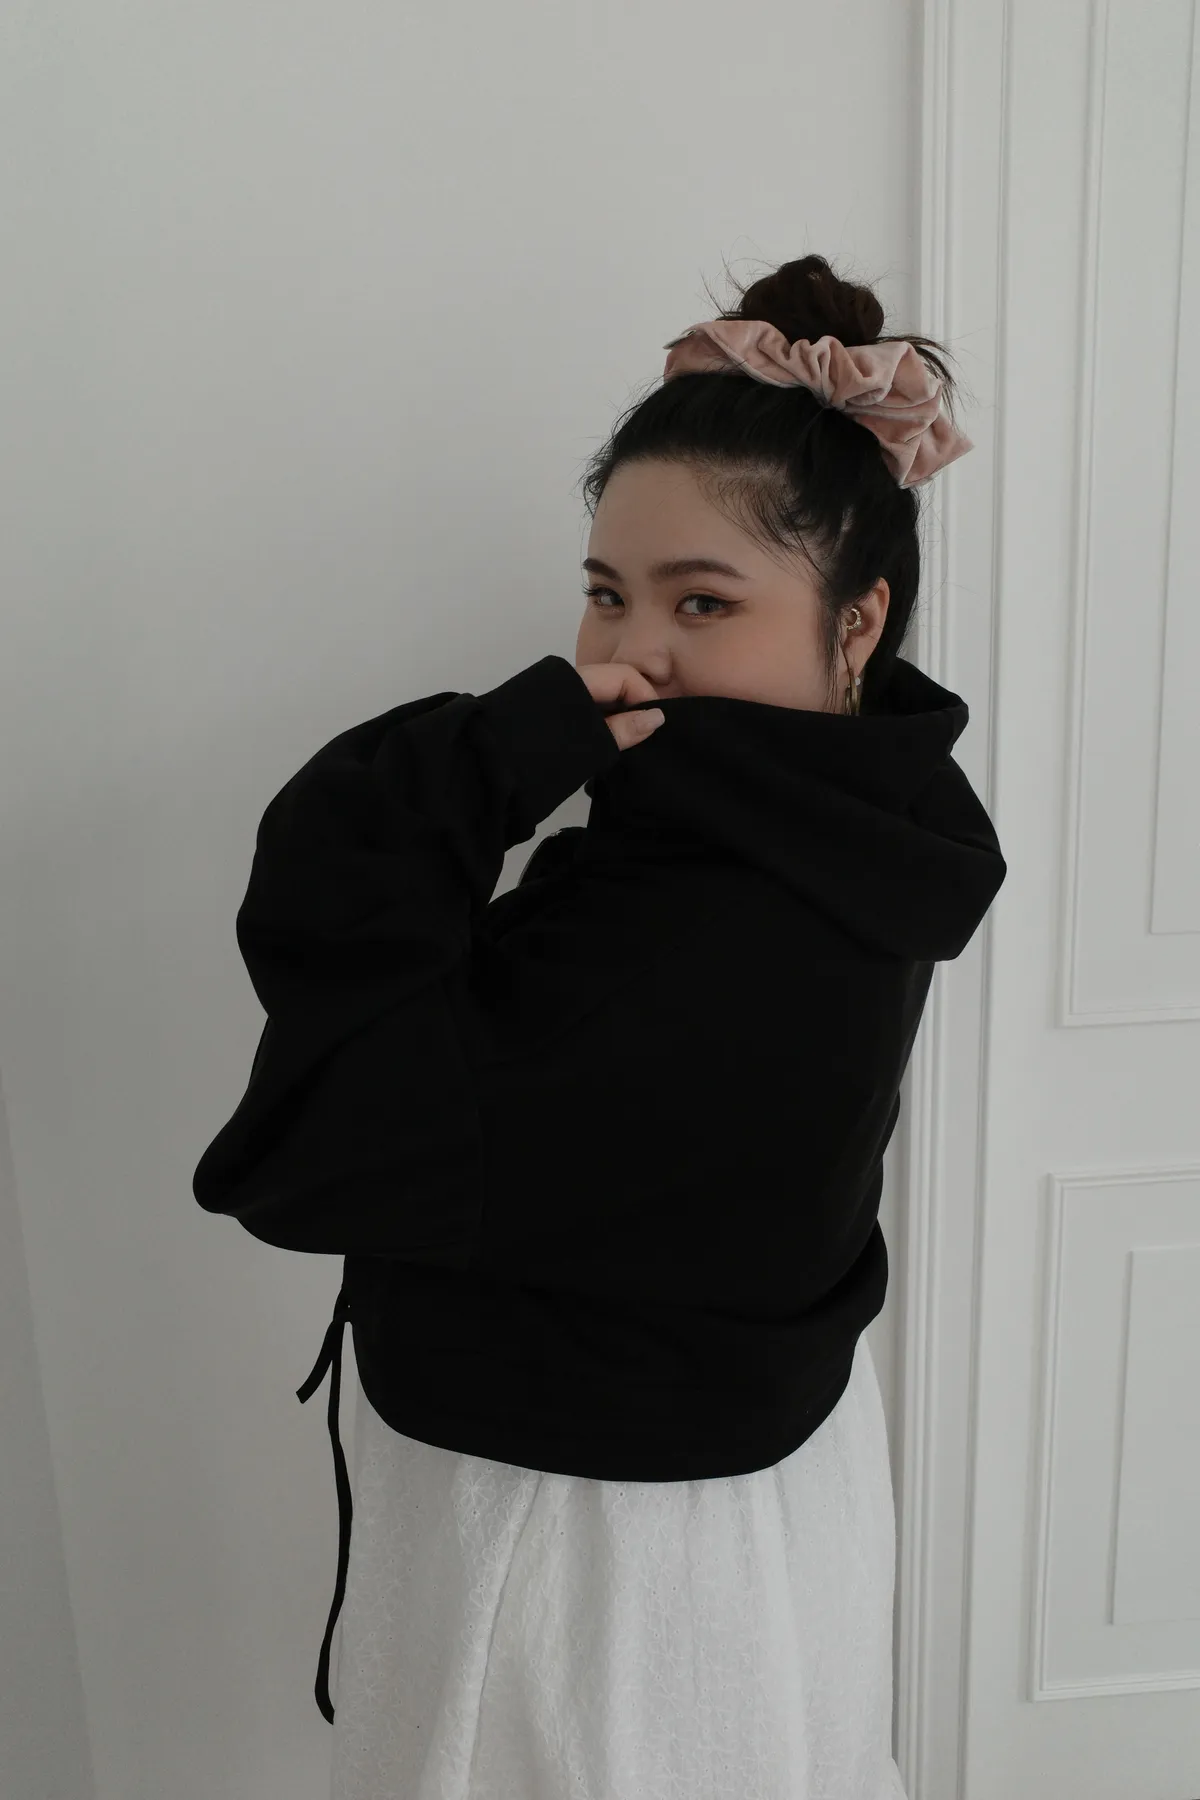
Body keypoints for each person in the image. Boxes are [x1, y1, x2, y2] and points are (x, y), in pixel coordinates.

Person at [193, 251, 1005, 1799]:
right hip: (773, 1477)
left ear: (857, 624)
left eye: (704, 600)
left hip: (591, 1545)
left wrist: (493, 759)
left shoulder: (692, 921)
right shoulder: (870, 833)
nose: (630, 654)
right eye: (606, 593)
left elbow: (329, 1138)